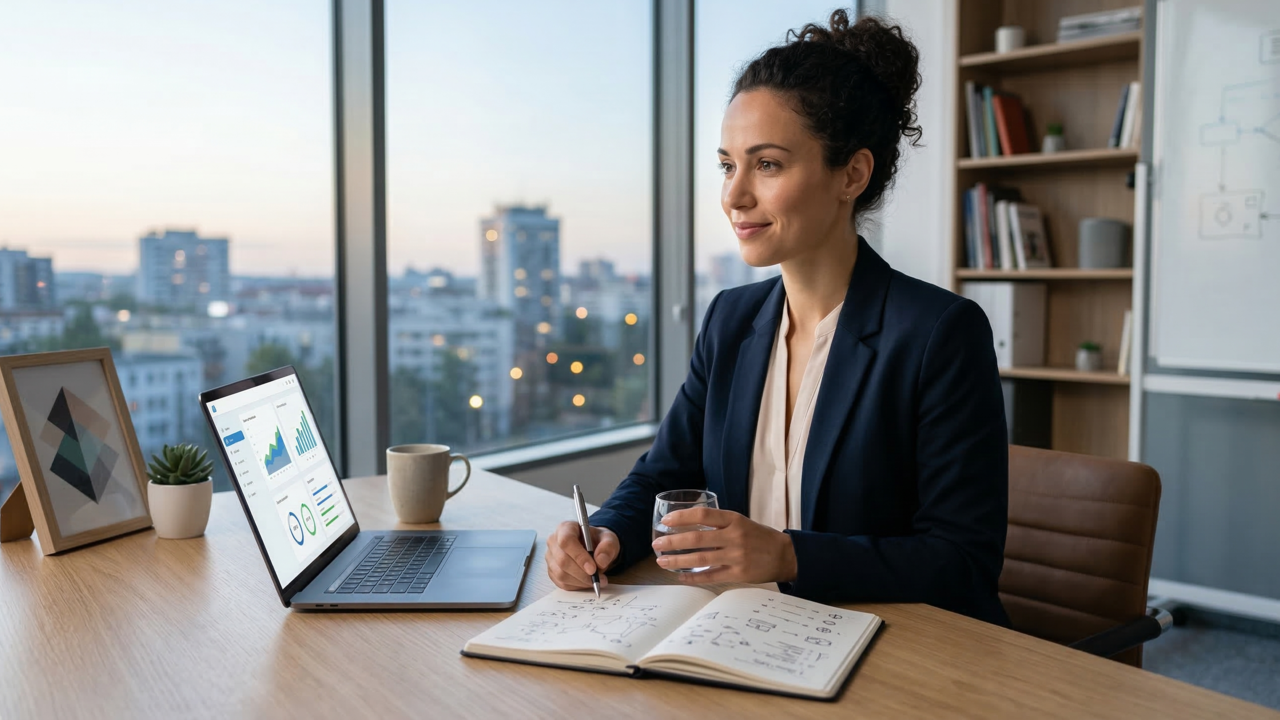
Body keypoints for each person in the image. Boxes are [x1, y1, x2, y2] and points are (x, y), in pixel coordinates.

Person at [545, 9, 1010, 626]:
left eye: (766, 165)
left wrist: (788, 555)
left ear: (852, 174)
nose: (734, 195)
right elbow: (662, 474)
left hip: (894, 652)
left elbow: (963, 562)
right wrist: (602, 532)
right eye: (727, 165)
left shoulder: (937, 334)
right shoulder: (731, 320)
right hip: (745, 634)